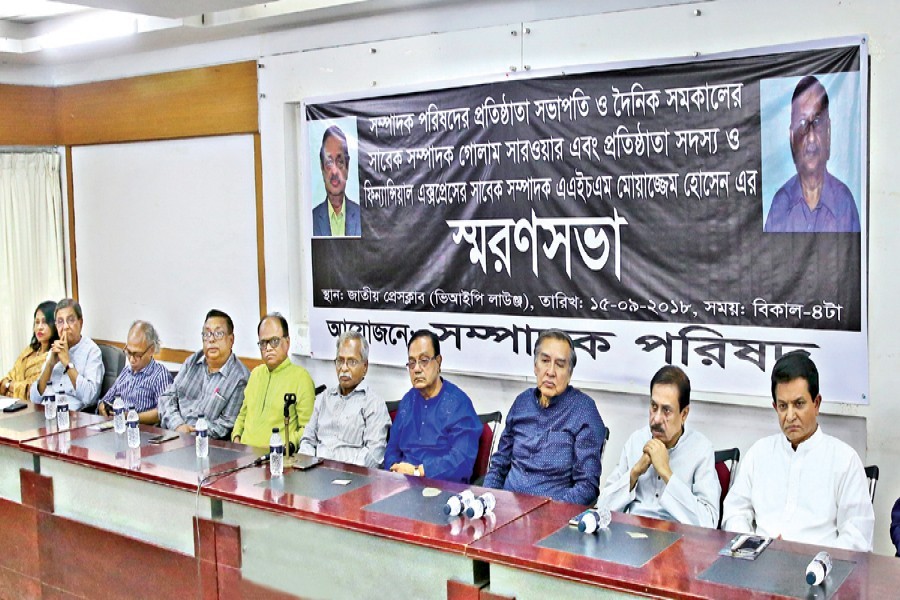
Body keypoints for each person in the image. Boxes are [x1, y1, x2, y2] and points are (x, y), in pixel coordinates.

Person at [722, 350, 874, 551]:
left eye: (799, 404)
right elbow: (735, 511)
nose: (790, 416)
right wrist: (753, 546)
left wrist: (811, 559)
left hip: (819, 575)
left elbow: (858, 539)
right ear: (775, 407)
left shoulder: (844, 461)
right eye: (783, 406)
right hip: (758, 568)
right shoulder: (759, 454)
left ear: (816, 403)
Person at [483, 329, 606, 505]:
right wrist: (488, 500)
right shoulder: (522, 403)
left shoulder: (583, 411)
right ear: (535, 366)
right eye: (545, 361)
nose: (550, 371)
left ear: (570, 373)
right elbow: (499, 465)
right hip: (506, 509)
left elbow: (587, 486)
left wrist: (551, 513)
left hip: (552, 516)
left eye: (560, 365)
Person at [596, 366, 720, 527]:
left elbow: (708, 522)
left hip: (679, 540)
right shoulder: (636, 440)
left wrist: (666, 473)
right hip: (633, 537)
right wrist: (634, 473)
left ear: (684, 414)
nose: (656, 419)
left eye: (666, 411)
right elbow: (602, 509)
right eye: (654, 407)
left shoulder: (701, 450)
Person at [764, 75, 860, 233]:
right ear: (792, 137)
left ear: (828, 133)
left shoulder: (845, 204)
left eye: (817, 122)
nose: (811, 136)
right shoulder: (779, 206)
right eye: (802, 124)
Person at [383, 329, 481, 483]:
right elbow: (391, 449)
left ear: (439, 361)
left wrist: (419, 471)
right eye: (412, 362)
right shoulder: (408, 401)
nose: (416, 369)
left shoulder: (459, 404)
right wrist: (394, 467)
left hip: (442, 490)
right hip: (403, 485)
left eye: (424, 360)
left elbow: (461, 462)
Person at [299, 331, 390, 467]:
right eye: (340, 361)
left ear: (365, 367)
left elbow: (374, 455)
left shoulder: (373, 403)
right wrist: (310, 467)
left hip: (353, 478)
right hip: (317, 474)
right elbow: (307, 441)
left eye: (352, 362)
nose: (344, 368)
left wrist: (340, 471)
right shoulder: (324, 399)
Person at [158, 309, 250, 439]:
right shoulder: (192, 361)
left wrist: (190, 434)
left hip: (206, 445)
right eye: (206, 334)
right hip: (173, 432)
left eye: (218, 334)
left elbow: (226, 426)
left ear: (231, 339)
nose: (211, 339)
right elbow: (167, 397)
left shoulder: (240, 378)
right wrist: (178, 426)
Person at [231, 313, 315, 451]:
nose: (268, 348)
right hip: (243, 456)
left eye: (274, 341)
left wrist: (280, 448)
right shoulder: (255, 374)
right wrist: (236, 438)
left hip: (276, 459)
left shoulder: (301, 378)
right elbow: (242, 415)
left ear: (287, 342)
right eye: (263, 343)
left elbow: (307, 430)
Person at [30, 298, 104, 411]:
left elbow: (90, 397)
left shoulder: (92, 351)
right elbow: (34, 399)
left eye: (70, 320)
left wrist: (67, 363)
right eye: (60, 321)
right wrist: (50, 365)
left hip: (73, 416)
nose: (65, 326)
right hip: (47, 412)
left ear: (81, 322)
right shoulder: (54, 349)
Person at [97, 321, 173, 424]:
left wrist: (130, 416)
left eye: (137, 355)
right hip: (117, 426)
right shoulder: (126, 372)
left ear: (151, 350)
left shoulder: (160, 375)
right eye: (129, 352)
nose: (132, 360)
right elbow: (106, 399)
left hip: (141, 430)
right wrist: (102, 407)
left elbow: (162, 411)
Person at [1, 301, 58, 400]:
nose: (39, 327)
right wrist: (13, 385)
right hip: (12, 405)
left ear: (55, 325)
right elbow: (6, 380)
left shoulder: (54, 355)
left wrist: (10, 386)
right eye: (37, 322)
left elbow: (32, 390)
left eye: (44, 322)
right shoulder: (29, 350)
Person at [311, 125, 361, 237]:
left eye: (340, 162)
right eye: (329, 162)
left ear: (347, 167)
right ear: (322, 168)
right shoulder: (311, 219)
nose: (334, 171)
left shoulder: (362, 216)